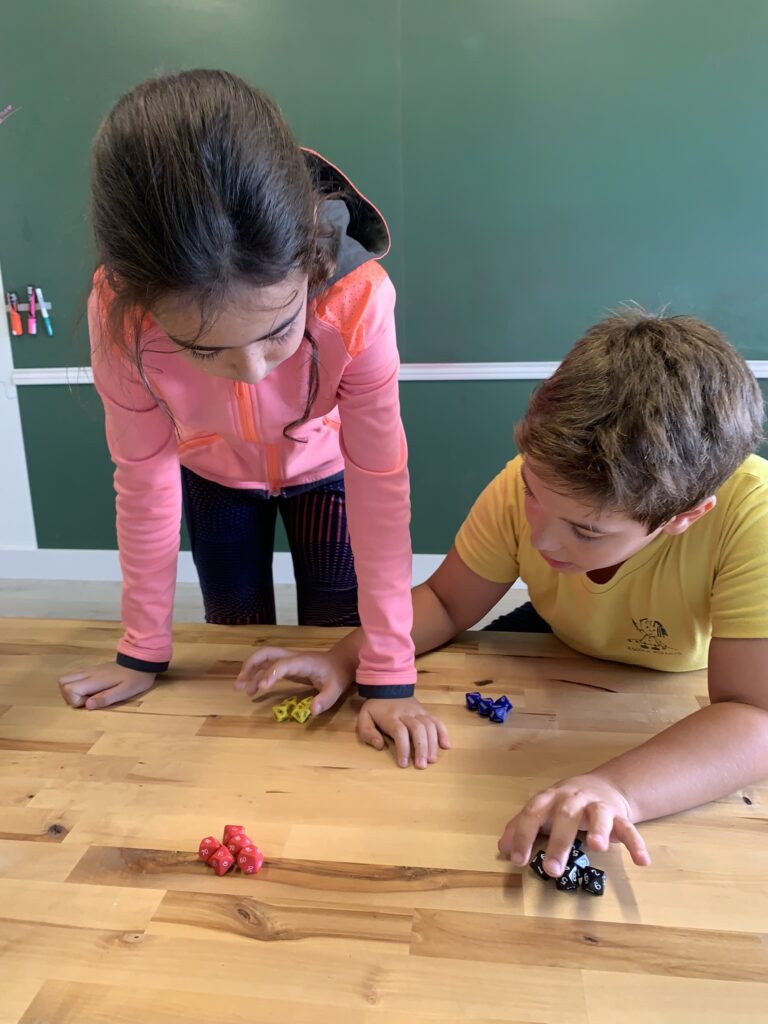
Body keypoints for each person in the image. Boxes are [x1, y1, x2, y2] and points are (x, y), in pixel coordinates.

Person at [240, 307, 768, 866]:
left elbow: (754, 715)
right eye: (532, 494)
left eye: (586, 530)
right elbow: (446, 601)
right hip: (560, 636)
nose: (542, 538)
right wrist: (345, 657)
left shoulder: (751, 518)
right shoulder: (530, 478)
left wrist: (618, 790)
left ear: (685, 516)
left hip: (680, 669)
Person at [58, 69, 448, 769]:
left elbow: (380, 484)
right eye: (204, 348)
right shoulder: (117, 315)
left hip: (326, 475)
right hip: (214, 480)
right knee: (235, 636)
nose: (253, 372)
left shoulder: (359, 300)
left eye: (279, 331)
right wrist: (142, 649)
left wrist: (389, 671)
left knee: (333, 633)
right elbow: (143, 478)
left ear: (312, 267)